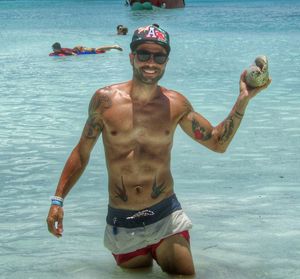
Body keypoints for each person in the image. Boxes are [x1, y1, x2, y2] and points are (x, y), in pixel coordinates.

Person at [46, 24, 271, 275]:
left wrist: (243, 99)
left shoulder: (176, 104)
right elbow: (81, 152)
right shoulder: (104, 101)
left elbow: (218, 142)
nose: (151, 62)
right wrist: (58, 200)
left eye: (159, 56)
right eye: (144, 54)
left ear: (166, 61)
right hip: (122, 223)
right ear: (132, 57)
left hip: (166, 217)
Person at [50, 42, 123, 56]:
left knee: (96, 49)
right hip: (79, 48)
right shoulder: (61, 50)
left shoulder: (64, 50)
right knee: (98, 50)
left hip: (81, 50)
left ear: (57, 49)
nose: (53, 50)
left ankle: (114, 46)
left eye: (53, 49)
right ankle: (111, 48)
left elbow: (74, 54)